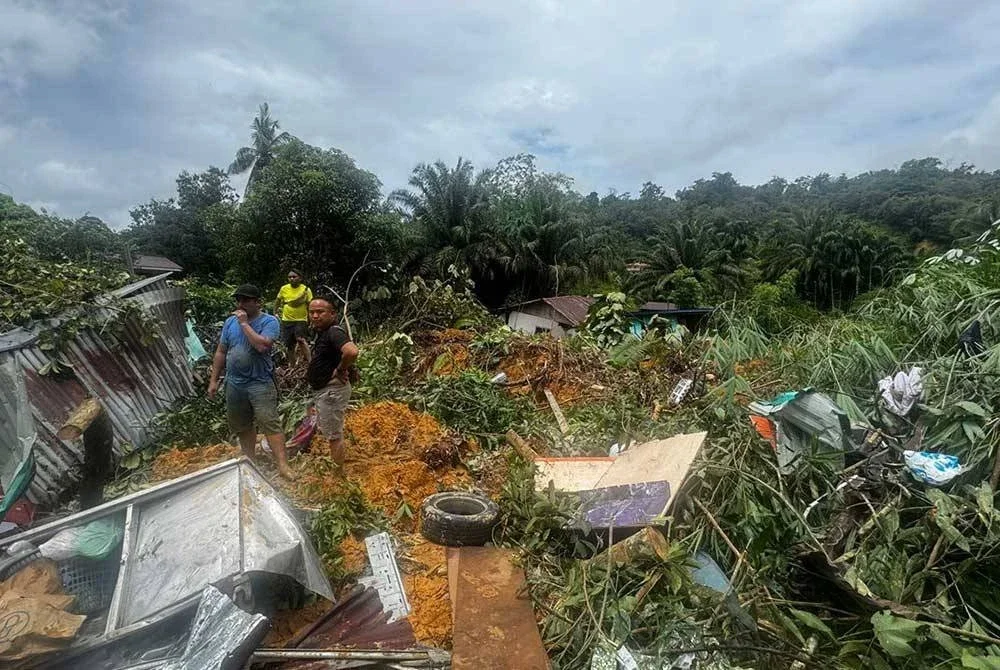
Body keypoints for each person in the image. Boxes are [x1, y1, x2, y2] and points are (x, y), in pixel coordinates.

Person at [208, 284, 295, 479]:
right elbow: (221, 351)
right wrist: (213, 380)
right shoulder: (230, 323)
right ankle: (250, 461)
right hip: (234, 383)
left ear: (258, 302)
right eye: (239, 300)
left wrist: (245, 324)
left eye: (246, 300)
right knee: (243, 425)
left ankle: (283, 465)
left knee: (269, 422)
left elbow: (262, 346)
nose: (241, 304)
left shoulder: (269, 322)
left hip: (260, 382)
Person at [306, 296, 359, 465]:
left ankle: (338, 476)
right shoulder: (322, 333)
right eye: (312, 312)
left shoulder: (334, 332)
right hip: (327, 390)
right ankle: (338, 468)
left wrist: (341, 369)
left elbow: (351, 352)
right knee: (332, 433)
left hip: (332, 391)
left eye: (320, 312)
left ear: (333, 314)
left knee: (334, 437)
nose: (315, 316)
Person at [274, 269, 313, 367]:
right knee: (289, 345)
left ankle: (311, 362)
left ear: (300, 278)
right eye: (289, 277)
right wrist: (275, 312)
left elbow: (310, 304)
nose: (291, 279)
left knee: (301, 340)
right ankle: (292, 366)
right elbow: (278, 300)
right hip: (286, 320)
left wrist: (311, 318)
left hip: (301, 319)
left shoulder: (305, 290)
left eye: (294, 277)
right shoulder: (284, 288)